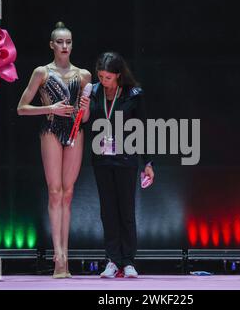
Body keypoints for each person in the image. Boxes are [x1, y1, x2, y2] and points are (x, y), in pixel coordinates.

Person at [17, 22, 91, 278]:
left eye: (68, 42)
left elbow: (84, 118)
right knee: (55, 192)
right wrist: (50, 109)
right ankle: (58, 259)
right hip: (50, 129)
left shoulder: (83, 75)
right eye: (60, 42)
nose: (64, 46)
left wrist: (85, 105)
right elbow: (21, 108)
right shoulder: (42, 72)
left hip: (74, 132)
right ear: (52, 45)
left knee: (68, 193)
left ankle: (65, 261)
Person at [88, 52, 155, 278]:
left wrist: (148, 162)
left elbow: (143, 129)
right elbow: (86, 121)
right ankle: (112, 260)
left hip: (126, 159)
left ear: (118, 75)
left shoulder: (133, 94)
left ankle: (128, 261)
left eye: (108, 78)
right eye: (100, 76)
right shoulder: (94, 91)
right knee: (108, 211)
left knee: (126, 210)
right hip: (101, 158)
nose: (103, 81)